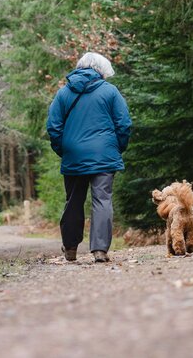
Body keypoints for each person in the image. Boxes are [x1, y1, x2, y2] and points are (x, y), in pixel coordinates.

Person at [46, 52, 132, 263]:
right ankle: (100, 250)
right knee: (102, 200)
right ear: (101, 70)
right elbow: (124, 124)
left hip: (74, 154)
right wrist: (116, 147)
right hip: (104, 154)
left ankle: (70, 249)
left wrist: (64, 149)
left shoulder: (64, 93)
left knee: (74, 200)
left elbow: (53, 127)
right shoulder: (110, 91)